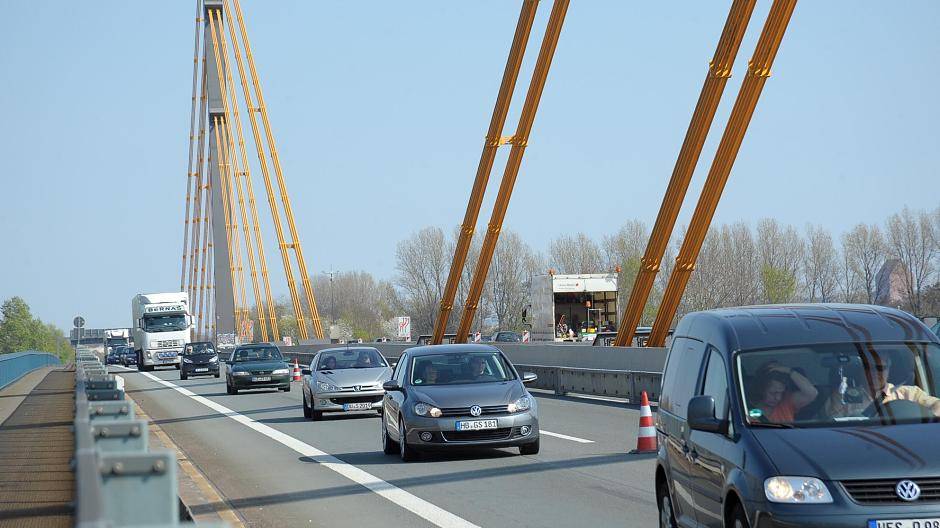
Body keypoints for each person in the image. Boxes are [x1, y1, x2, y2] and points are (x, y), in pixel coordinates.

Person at [825, 355, 940, 418]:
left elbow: (937, 404)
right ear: (862, 370)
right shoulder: (843, 397)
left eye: (881, 368)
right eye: (871, 368)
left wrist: (930, 420)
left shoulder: (908, 393)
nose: (876, 373)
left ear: (888, 370)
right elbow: (830, 427)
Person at [751, 362, 818, 423]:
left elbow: (812, 393)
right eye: (773, 393)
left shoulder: (787, 402)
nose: (778, 398)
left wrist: (789, 371)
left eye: (782, 393)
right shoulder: (748, 409)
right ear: (761, 389)